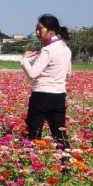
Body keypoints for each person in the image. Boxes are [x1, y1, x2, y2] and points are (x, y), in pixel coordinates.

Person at [21, 13, 72, 158]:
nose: (37, 32)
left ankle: (30, 164)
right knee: (60, 134)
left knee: (34, 132)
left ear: (51, 30)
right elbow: (69, 73)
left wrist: (24, 60)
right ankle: (66, 166)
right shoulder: (65, 48)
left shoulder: (47, 50)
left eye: (40, 29)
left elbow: (32, 73)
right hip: (59, 97)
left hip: (42, 96)